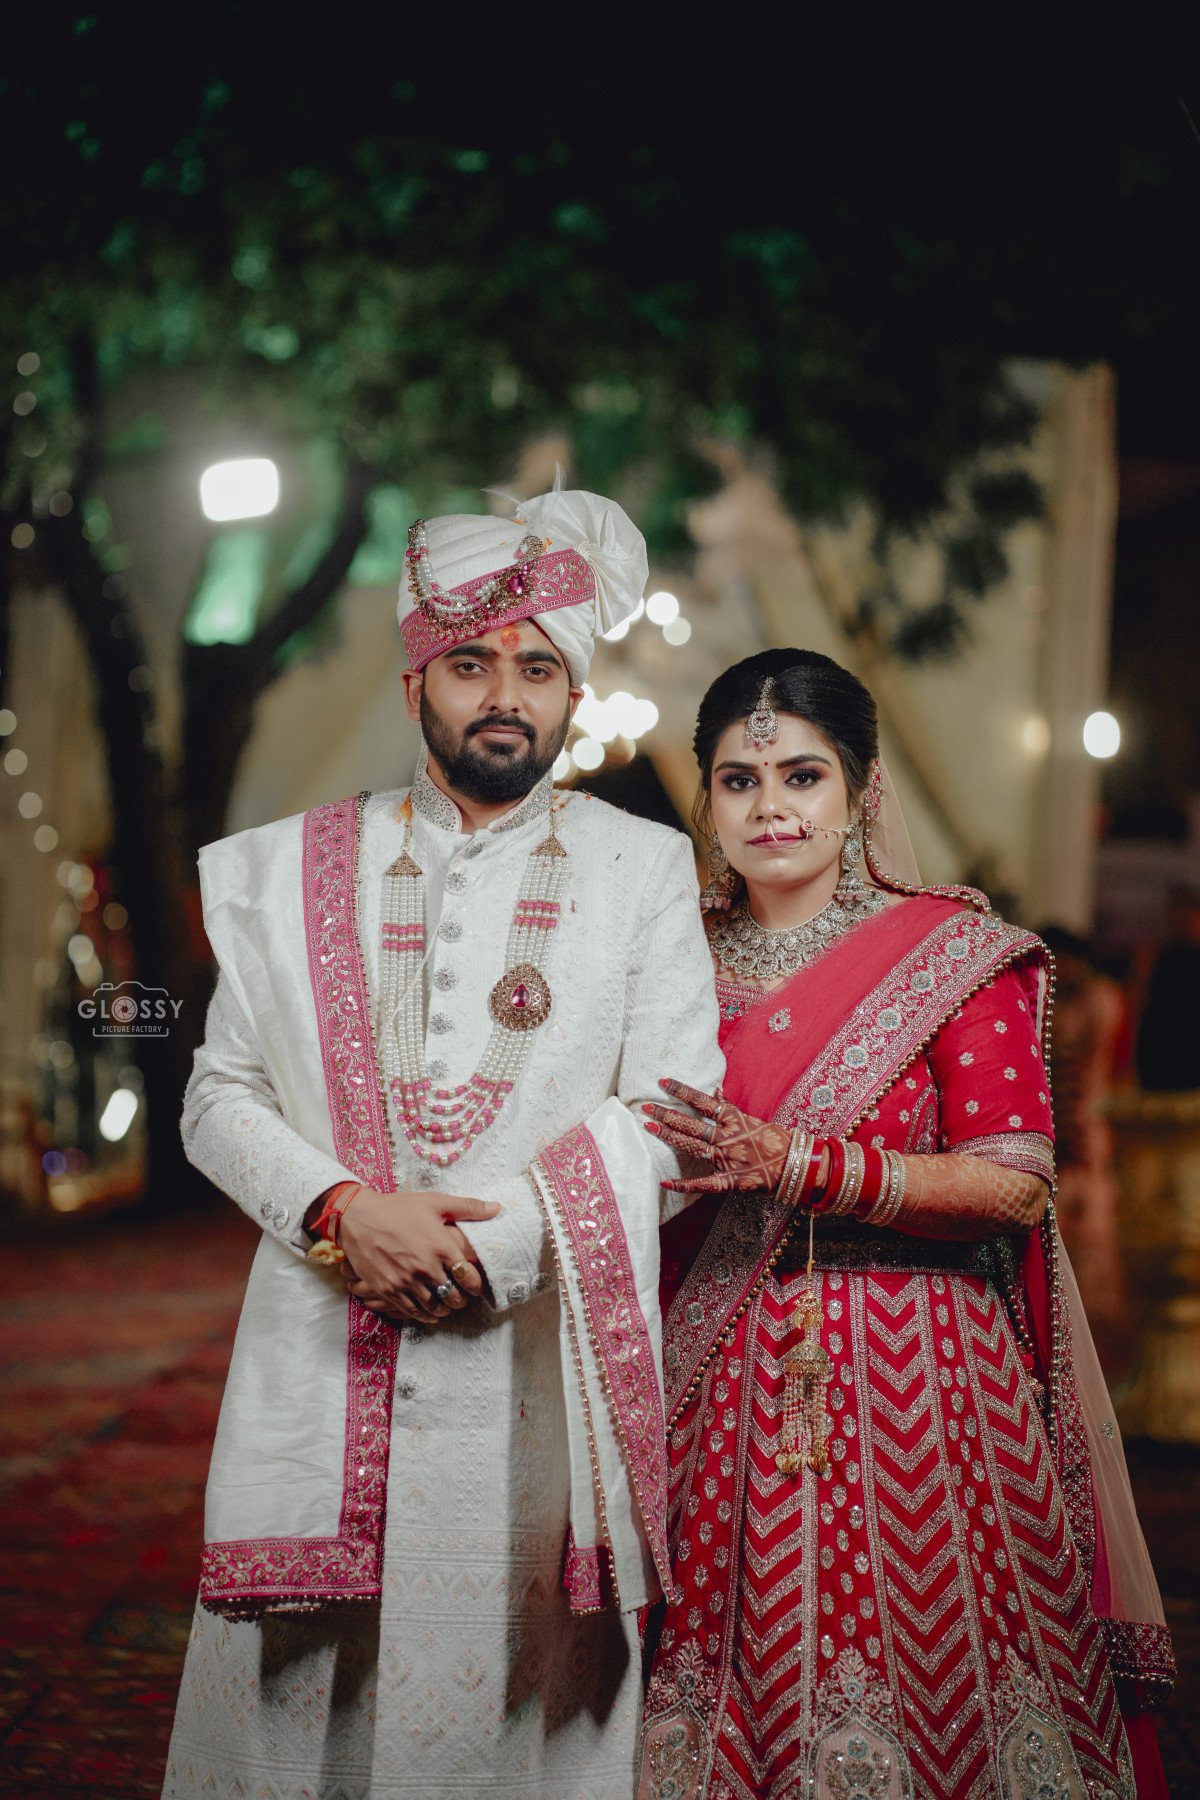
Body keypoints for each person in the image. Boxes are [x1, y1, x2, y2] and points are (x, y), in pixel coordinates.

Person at [163, 486, 723, 1800]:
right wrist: (343, 1212)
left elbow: (674, 1111)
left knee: (509, 1708)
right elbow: (216, 1094)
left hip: (530, 1366)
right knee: (303, 1704)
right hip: (324, 1336)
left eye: (538, 667)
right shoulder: (285, 869)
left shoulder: (643, 870)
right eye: (472, 664)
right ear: (416, 677)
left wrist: (503, 1242)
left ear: (575, 691)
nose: (505, 697)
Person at [637, 650, 1174, 1800]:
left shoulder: (953, 956)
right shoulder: (661, 957)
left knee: (932, 1663)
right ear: (707, 798)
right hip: (716, 1364)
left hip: (924, 1374)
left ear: (861, 787)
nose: (771, 806)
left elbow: (1013, 1184)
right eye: (739, 779)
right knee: (723, 1664)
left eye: (802, 775)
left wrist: (801, 1164)